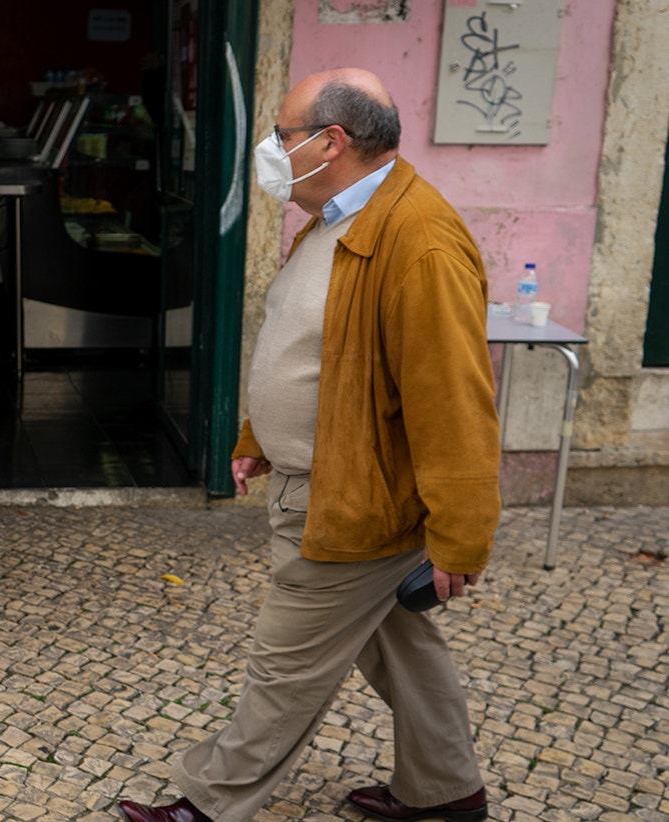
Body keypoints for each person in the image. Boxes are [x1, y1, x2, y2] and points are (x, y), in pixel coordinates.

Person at [118, 68, 501, 822]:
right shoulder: (335, 218)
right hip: (324, 481)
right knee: (397, 645)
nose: (272, 149)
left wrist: (461, 537)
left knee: (284, 664)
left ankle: (208, 800)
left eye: (283, 134)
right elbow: (310, 346)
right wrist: (262, 432)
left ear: (333, 142)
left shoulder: (418, 241)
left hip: (357, 498)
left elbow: (453, 401)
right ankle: (446, 790)